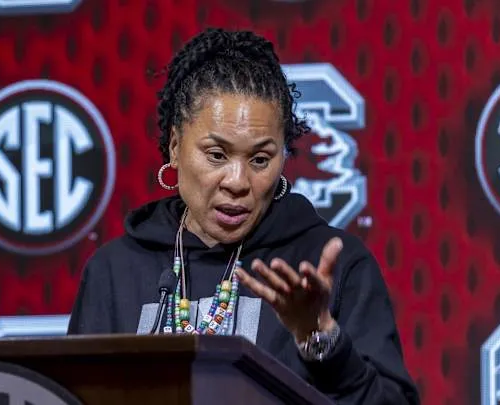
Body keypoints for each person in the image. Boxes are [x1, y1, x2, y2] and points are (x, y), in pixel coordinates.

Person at [67, 27, 420, 405]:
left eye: (260, 160)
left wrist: (323, 340)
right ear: (174, 146)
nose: (238, 182)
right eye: (217, 155)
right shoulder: (113, 270)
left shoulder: (330, 267)